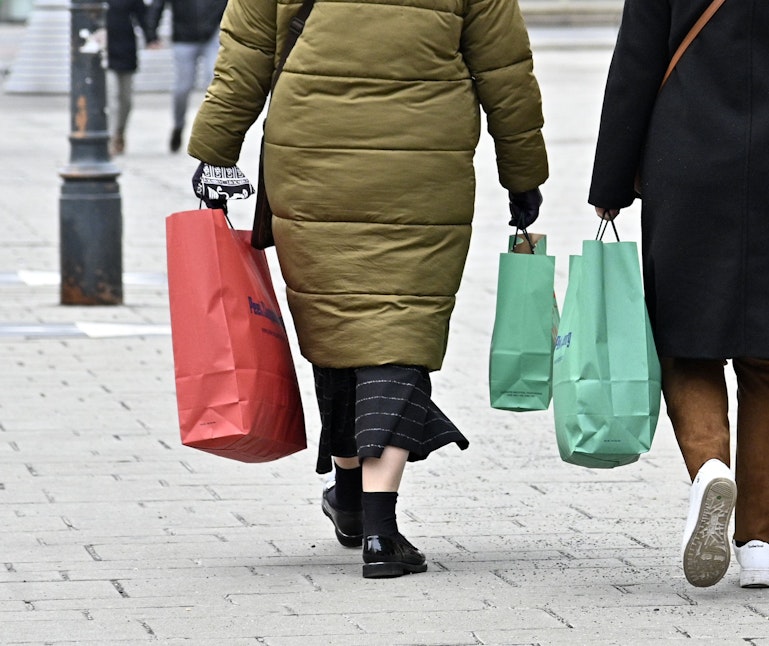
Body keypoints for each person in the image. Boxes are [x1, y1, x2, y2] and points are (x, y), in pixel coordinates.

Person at [185, 0, 547, 578]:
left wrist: (214, 151)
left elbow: (245, 59)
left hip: (310, 160)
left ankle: (350, 499)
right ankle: (379, 531)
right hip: (423, 169)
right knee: (400, 329)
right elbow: (504, 71)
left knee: (335, 321)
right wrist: (524, 173)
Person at [589, 0, 769, 588]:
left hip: (689, 154)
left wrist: (612, 178)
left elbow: (638, 62)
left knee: (686, 341)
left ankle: (710, 471)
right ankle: (758, 549)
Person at [146, 0, 227, 153]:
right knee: (182, 88)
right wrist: (151, 34)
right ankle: (178, 126)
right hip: (183, 37)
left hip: (212, 34)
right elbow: (158, 5)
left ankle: (212, 131)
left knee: (215, 81)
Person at [105, 0, 156, 156]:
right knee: (112, 97)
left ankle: (120, 132)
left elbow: (143, 15)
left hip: (126, 49)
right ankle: (110, 138)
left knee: (126, 100)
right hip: (105, 51)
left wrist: (151, 38)